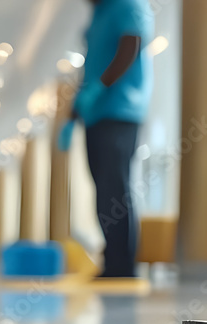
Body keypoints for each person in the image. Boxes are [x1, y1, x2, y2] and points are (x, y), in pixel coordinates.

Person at [58, 0, 154, 278]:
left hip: (121, 110)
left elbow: (131, 44)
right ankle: (112, 259)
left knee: (115, 188)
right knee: (103, 189)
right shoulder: (98, 13)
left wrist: (101, 86)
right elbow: (94, 61)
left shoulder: (128, 4)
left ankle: (122, 265)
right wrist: (75, 111)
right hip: (96, 113)